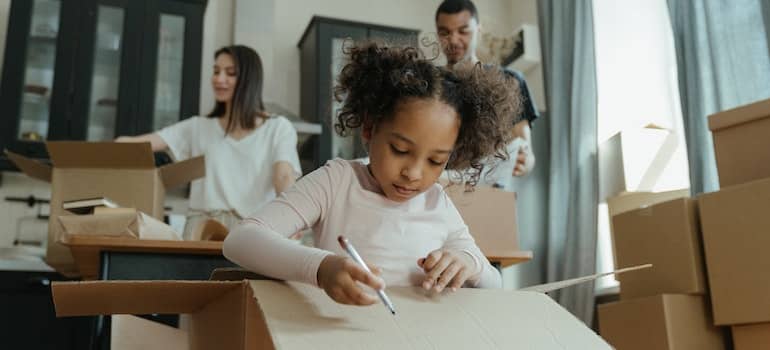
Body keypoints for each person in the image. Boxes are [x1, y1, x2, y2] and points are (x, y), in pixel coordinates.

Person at [223, 41, 522, 307]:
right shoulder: (337, 182)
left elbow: (494, 282)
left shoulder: (437, 202)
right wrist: (321, 268)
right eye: (400, 150)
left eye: (435, 160)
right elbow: (241, 240)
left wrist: (468, 261)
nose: (413, 173)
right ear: (369, 128)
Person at [116, 45, 301, 240]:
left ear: (249, 79)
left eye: (230, 73)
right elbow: (138, 144)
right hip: (201, 230)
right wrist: (105, 150)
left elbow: (284, 176)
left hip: (253, 230)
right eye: (215, 71)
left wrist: (293, 218)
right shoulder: (197, 127)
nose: (219, 79)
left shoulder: (278, 127)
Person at [435, 0, 540, 179]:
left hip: (490, 189)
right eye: (445, 32)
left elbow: (525, 149)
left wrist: (526, 160)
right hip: (435, 188)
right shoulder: (428, 82)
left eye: (463, 31)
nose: (453, 40)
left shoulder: (510, 81)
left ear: (478, 29)